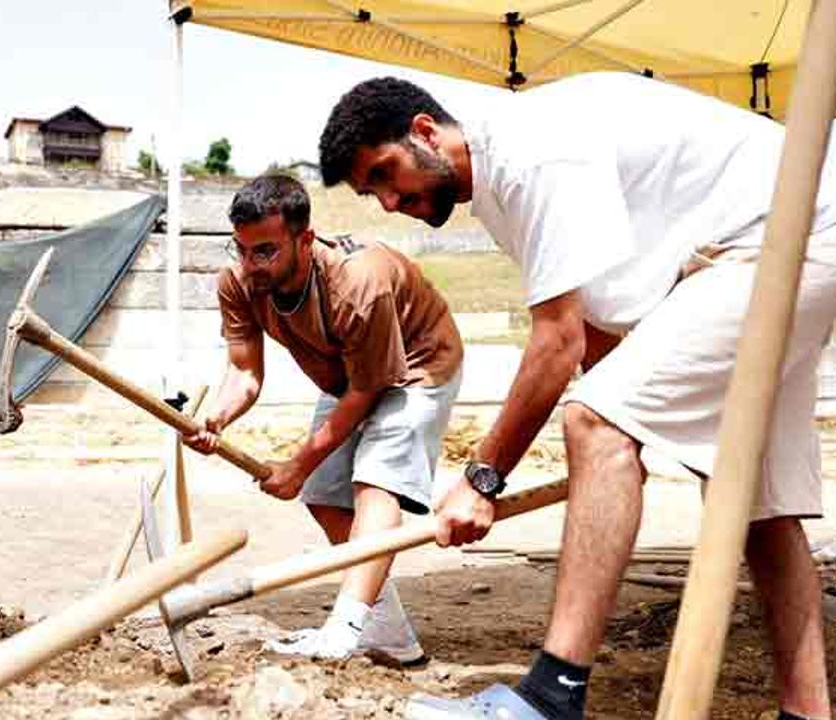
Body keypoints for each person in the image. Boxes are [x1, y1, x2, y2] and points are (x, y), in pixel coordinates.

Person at [318, 72, 836, 720]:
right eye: (373, 193)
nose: (390, 202)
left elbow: (557, 344)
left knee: (592, 421)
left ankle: (551, 698)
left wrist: (483, 479)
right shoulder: (503, 189)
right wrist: (622, 443)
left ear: (425, 131)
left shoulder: (528, 155)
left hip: (786, 235)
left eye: (385, 174)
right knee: (756, 502)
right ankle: (807, 714)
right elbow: (592, 331)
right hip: (785, 237)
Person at [184, 173, 463, 663]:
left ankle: (345, 626)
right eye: (241, 250)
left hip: (418, 364)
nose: (250, 265)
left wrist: (297, 464)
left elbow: (369, 390)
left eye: (265, 251)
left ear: (305, 239)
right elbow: (245, 371)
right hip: (349, 376)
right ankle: (389, 632)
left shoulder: (356, 283)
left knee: (376, 481)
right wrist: (218, 419)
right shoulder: (239, 282)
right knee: (324, 494)